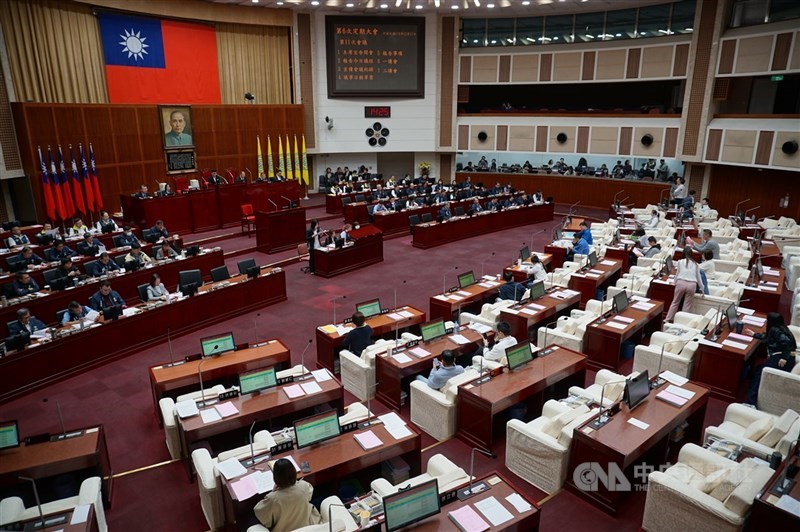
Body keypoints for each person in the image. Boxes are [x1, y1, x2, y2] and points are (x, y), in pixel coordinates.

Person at [744, 312, 797, 405]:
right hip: (786, 357)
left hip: (782, 358)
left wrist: (784, 358)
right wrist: (754, 334)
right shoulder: (781, 328)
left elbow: (787, 343)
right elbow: (768, 338)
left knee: (759, 373)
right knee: (758, 369)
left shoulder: (775, 330)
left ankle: (750, 402)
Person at [253, 458, 320, 532]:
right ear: (294, 472)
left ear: (275, 477)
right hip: (307, 527)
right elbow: (309, 495)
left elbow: (258, 511)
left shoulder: (272, 498)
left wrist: (273, 491)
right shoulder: (304, 486)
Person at [665, 248, 703, 321]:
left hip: (681, 283)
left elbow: (677, 274)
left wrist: (674, 282)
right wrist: (702, 288)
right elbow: (699, 277)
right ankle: (682, 321)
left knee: (675, 302)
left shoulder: (680, 262)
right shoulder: (696, 264)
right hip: (692, 284)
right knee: (687, 304)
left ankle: (668, 319)